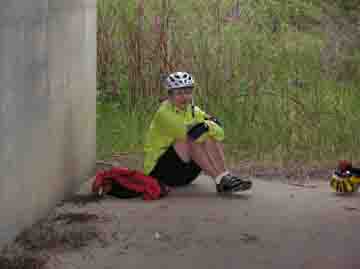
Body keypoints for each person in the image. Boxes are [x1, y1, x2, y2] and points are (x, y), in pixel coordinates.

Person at [143, 71, 252, 193]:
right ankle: (220, 179)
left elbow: (220, 134)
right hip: (159, 175)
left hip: (185, 174)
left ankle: (224, 177)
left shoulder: (193, 110)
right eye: (179, 93)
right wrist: (209, 125)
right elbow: (192, 135)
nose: (184, 97)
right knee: (190, 139)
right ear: (170, 95)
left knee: (209, 136)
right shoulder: (164, 114)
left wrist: (207, 126)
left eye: (188, 92)